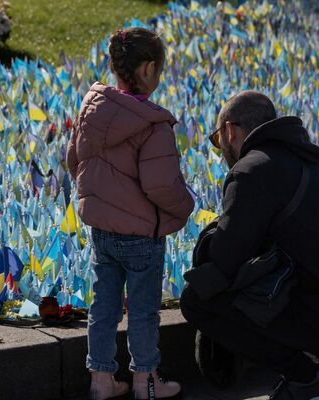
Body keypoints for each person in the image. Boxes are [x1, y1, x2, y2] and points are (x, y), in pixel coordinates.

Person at [180, 91, 319, 400]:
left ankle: (307, 379)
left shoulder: (250, 170)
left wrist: (208, 239)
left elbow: (225, 258)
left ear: (229, 131)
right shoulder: (307, 159)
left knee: (196, 300)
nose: (219, 147)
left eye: (217, 139)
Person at [66, 27, 195, 400]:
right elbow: (160, 185)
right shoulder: (153, 124)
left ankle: (101, 381)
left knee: (103, 306)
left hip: (102, 232)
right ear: (149, 69)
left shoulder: (92, 110)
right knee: (142, 311)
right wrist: (185, 206)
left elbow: (74, 160)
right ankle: (146, 382)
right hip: (141, 237)